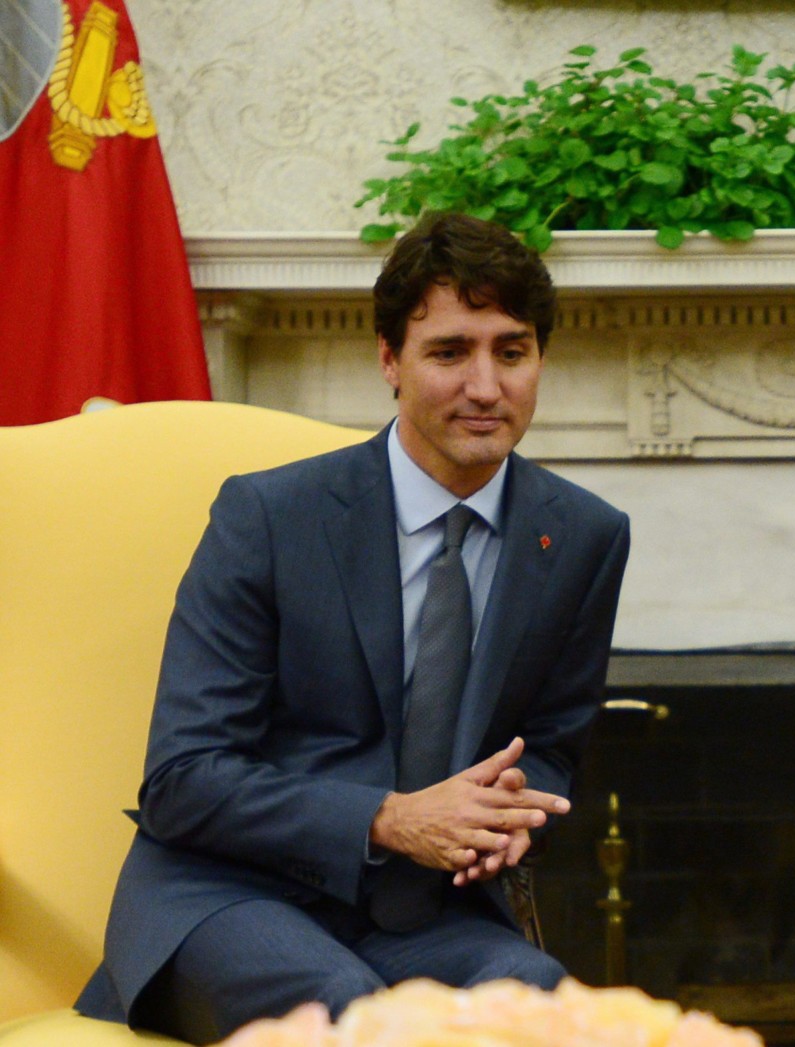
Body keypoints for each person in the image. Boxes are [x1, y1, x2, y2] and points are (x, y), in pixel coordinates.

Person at [75, 213, 632, 1042]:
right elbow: (183, 778)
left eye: (510, 351)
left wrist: (509, 814)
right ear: (389, 360)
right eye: (450, 352)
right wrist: (388, 818)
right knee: (346, 1012)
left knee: (540, 1001)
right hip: (229, 896)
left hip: (426, 917)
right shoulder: (268, 515)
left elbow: (552, 743)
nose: (486, 386)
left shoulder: (585, 535)